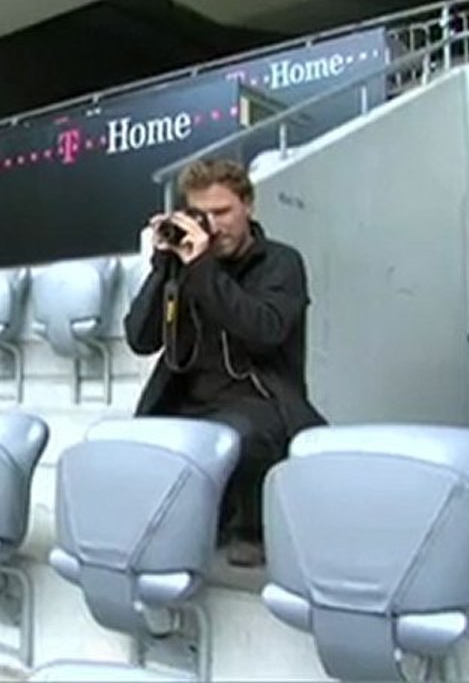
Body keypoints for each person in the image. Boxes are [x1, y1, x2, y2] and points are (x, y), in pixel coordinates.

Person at [124, 158, 325, 567]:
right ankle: (185, 526)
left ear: (248, 206)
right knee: (137, 440)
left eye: (223, 212)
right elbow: (140, 339)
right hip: (187, 399)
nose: (214, 226)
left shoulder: (281, 262)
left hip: (260, 400)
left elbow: (264, 330)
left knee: (242, 435)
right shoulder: (184, 264)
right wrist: (163, 266)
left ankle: (250, 529)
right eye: (203, 215)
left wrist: (203, 269)